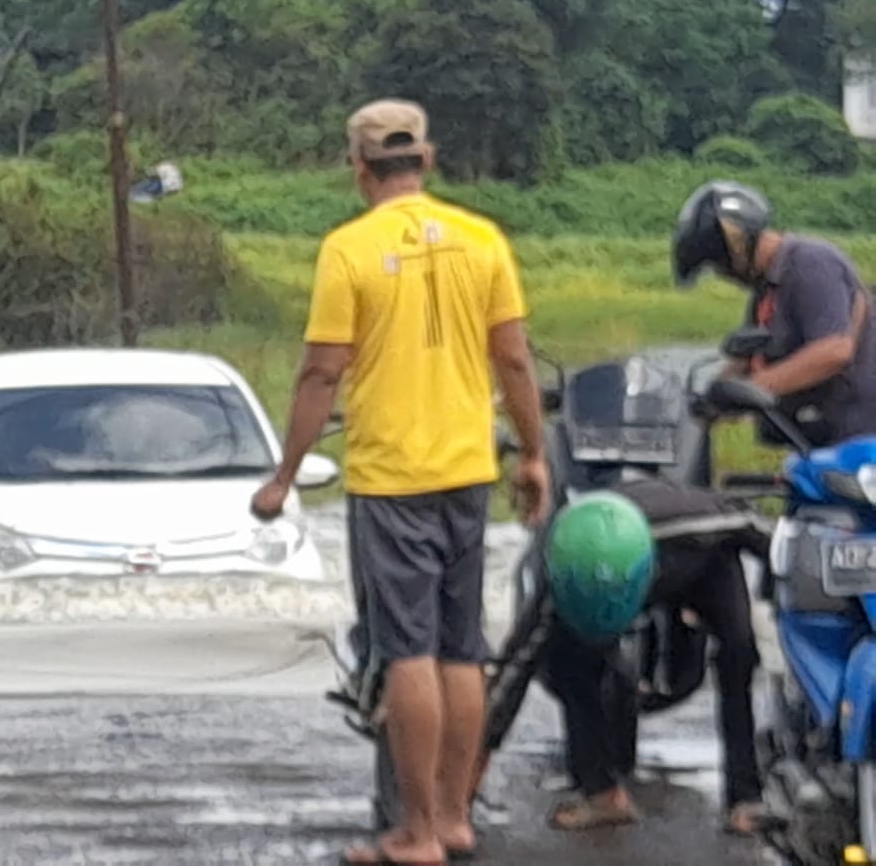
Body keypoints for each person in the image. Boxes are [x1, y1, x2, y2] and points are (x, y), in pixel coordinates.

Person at [251, 98, 550, 865]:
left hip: (391, 479)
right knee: (461, 648)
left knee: (407, 650)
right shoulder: (483, 240)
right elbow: (513, 358)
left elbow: (322, 369)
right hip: (465, 473)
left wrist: (283, 475)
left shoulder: (347, 249)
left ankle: (416, 833)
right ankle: (452, 816)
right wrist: (532, 455)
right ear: (427, 159)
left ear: (358, 168)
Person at [542, 477, 768, 836]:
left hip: (704, 563)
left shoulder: (701, 525)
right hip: (618, 551)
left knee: (739, 653)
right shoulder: (566, 560)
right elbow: (515, 663)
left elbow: (764, 534)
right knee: (567, 659)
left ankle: (746, 797)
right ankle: (602, 793)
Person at [674, 180, 876, 446]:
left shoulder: (811, 264)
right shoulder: (767, 289)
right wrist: (708, 399)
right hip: (822, 439)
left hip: (859, 441)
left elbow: (834, 350)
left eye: (719, 263)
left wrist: (755, 388)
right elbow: (749, 358)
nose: (723, 275)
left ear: (738, 246)